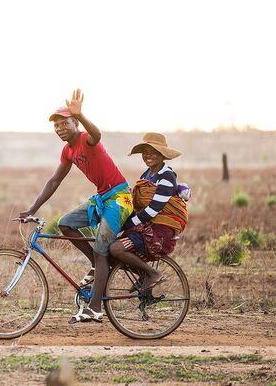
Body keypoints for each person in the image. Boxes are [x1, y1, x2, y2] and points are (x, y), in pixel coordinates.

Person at [20, 89, 133, 323]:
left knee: (102, 250)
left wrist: (80, 114)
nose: (60, 128)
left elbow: (97, 134)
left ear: (76, 124)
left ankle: (95, 308)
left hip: (119, 198)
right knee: (66, 224)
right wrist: (32, 209)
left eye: (65, 123)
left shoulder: (86, 140)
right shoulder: (68, 150)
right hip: (102, 197)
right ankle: (97, 265)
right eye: (56, 125)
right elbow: (54, 181)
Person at [108, 133, 188, 291]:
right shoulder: (146, 175)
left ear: (162, 155)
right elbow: (138, 205)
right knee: (108, 252)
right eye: (145, 152)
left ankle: (152, 274)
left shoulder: (167, 176)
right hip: (146, 226)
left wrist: (128, 224)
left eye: (153, 152)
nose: (148, 156)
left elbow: (153, 209)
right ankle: (144, 275)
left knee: (116, 248)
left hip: (160, 231)